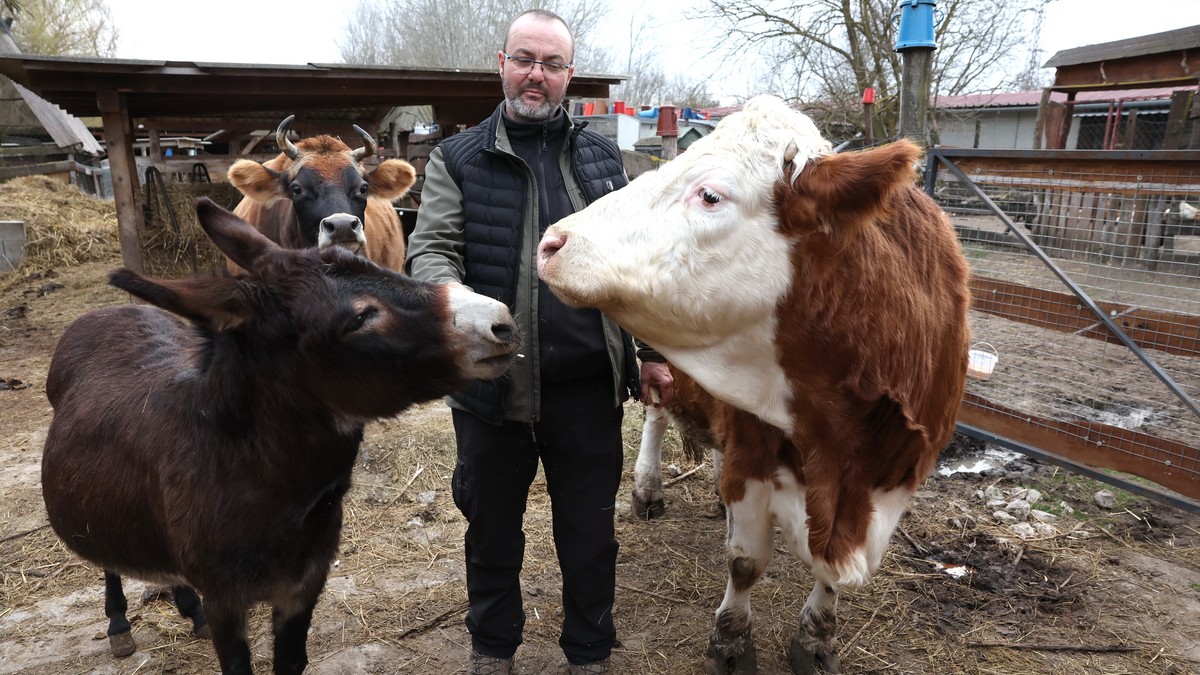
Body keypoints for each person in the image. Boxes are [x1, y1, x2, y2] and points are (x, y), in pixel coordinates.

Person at [404, 9, 673, 675]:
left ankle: (588, 654)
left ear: (568, 77)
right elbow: (431, 252)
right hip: (493, 389)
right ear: (501, 63)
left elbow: (632, 268)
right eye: (525, 59)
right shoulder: (457, 159)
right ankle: (493, 651)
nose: (536, 75)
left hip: (586, 391)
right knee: (492, 532)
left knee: (589, 538)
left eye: (551, 64)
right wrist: (460, 306)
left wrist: (653, 351)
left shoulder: (601, 156)